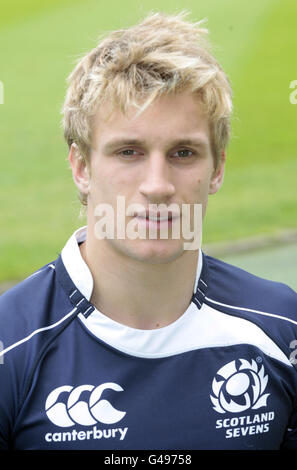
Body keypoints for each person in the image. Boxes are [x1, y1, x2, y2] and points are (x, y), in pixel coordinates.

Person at [0, 11, 296, 451]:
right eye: (128, 152)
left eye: (183, 152)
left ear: (217, 170)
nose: (157, 185)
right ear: (81, 167)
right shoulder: (12, 345)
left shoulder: (281, 326)